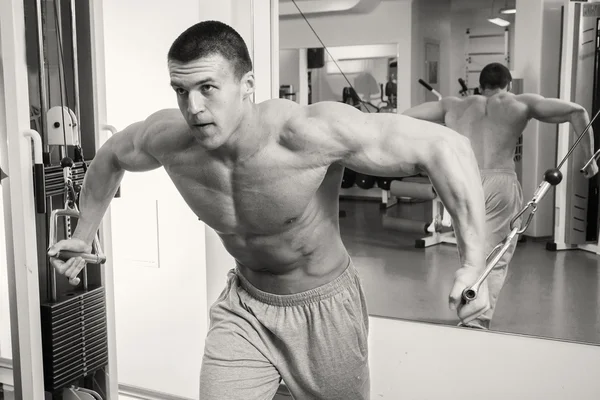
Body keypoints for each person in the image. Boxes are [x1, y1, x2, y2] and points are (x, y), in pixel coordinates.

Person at [48, 21, 489, 399]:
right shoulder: (169, 140)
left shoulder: (306, 134)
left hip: (325, 311)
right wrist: (85, 232)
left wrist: (473, 263)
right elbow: (110, 156)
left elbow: (447, 146)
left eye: (207, 89)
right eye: (181, 91)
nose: (193, 108)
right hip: (245, 306)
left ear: (248, 87)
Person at [403, 62, 599, 330]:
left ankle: (470, 312)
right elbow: (578, 112)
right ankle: (478, 320)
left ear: (479, 85)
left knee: (471, 256)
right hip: (500, 183)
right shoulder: (519, 102)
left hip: (462, 181)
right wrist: (589, 159)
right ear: (507, 84)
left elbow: (403, 117)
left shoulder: (453, 105)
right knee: (495, 257)